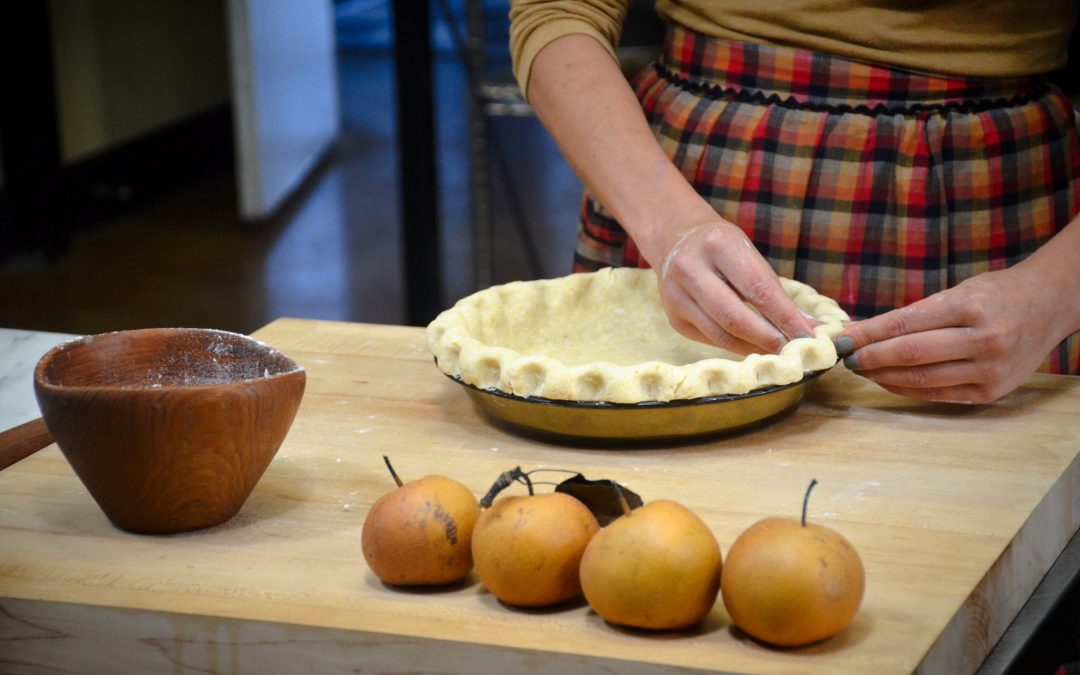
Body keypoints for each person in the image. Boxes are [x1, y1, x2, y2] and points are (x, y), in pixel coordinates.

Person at [506, 0, 1080, 404]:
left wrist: (1052, 293)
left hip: (999, 210)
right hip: (685, 182)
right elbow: (556, 11)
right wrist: (670, 225)